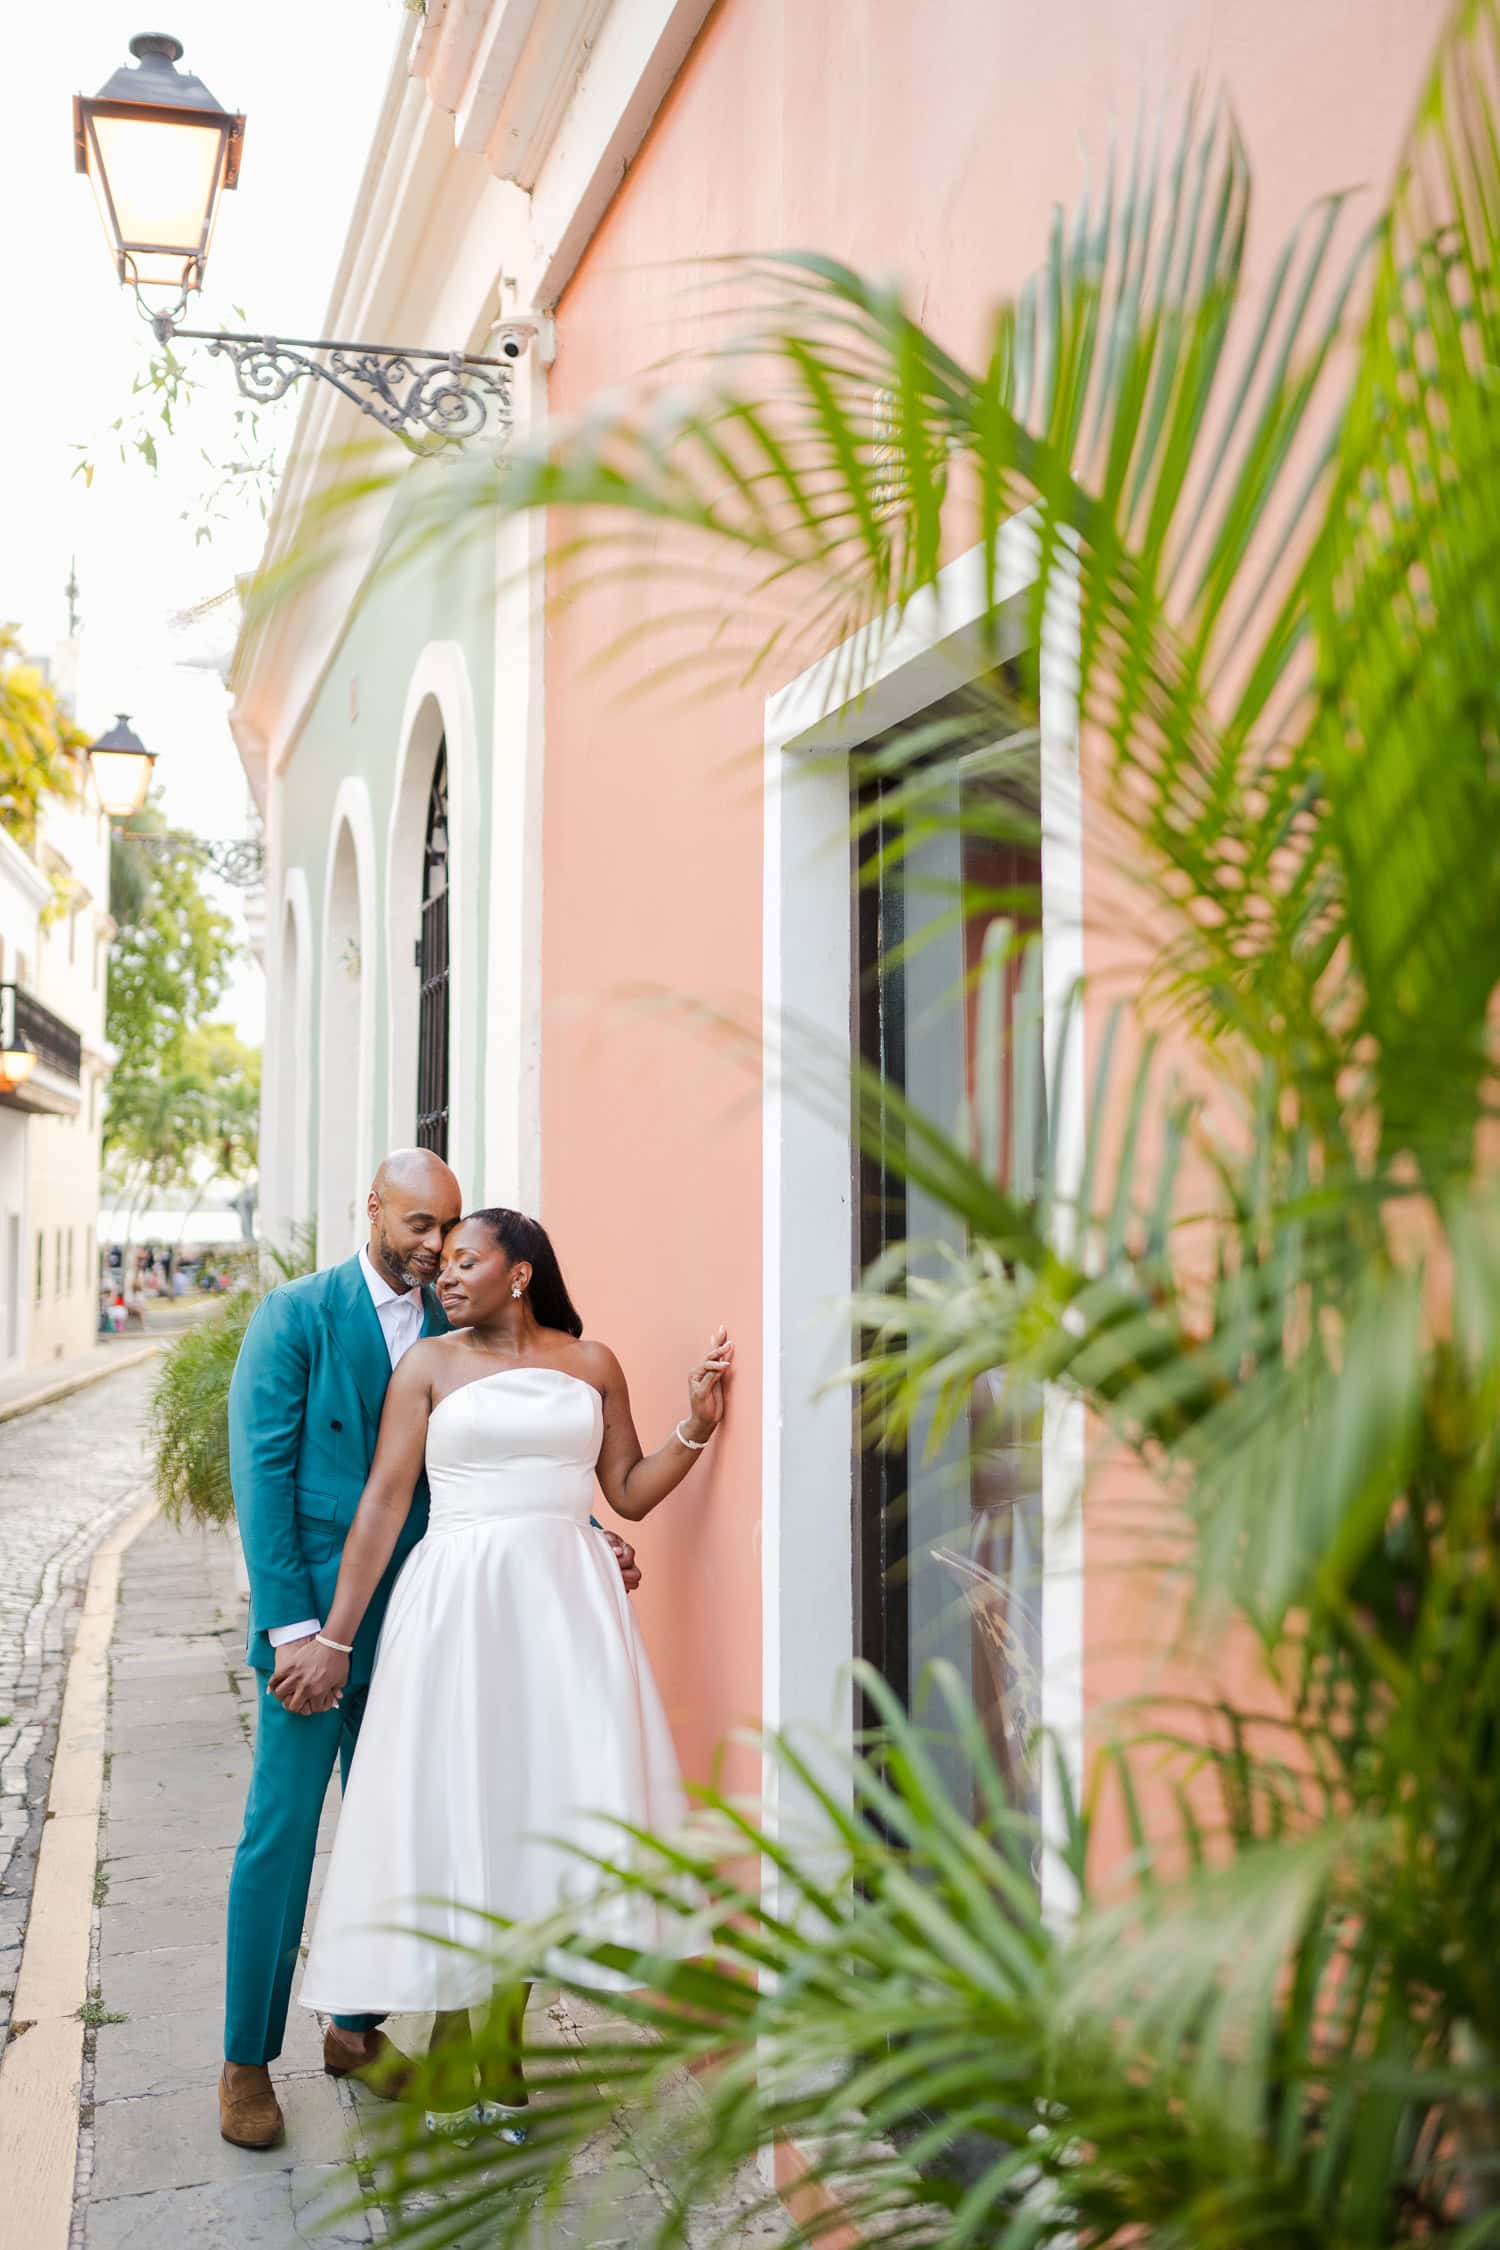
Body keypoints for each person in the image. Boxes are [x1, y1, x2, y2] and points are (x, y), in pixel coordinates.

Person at [219, 1156, 643, 2153]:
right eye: (417, 1224)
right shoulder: (298, 1315)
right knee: (278, 1843)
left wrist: (580, 1528)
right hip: (319, 1633)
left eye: (446, 1229)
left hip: (438, 1632)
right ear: (370, 1206)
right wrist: (298, 1634)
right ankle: (245, 2061)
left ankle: (355, 2032)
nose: (429, 1246)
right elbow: (263, 1479)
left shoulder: (461, 1326)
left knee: (418, 1838)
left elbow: (487, 1461)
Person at [278, 1205, 732, 2137]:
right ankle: (454, 2034)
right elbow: (381, 1506)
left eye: (464, 1261)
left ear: (518, 1273)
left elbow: (627, 1492)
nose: (443, 1276)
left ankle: (507, 2044)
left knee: (537, 1808)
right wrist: (335, 1638)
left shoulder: (590, 1362)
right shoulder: (428, 1368)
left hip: (567, 1610)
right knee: (458, 1803)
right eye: (438, 1263)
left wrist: (695, 1425)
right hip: (456, 1605)